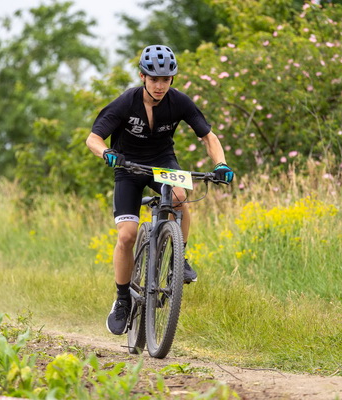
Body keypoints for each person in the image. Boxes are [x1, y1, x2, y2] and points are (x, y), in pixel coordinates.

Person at [85, 44, 234, 335]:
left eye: (165, 80)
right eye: (154, 79)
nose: (159, 85)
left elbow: (208, 137)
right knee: (127, 236)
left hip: (162, 163)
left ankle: (179, 260)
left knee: (180, 197)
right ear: (143, 77)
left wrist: (221, 164)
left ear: (172, 80)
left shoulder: (179, 102)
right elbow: (93, 138)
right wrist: (106, 152)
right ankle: (122, 300)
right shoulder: (126, 102)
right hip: (128, 167)